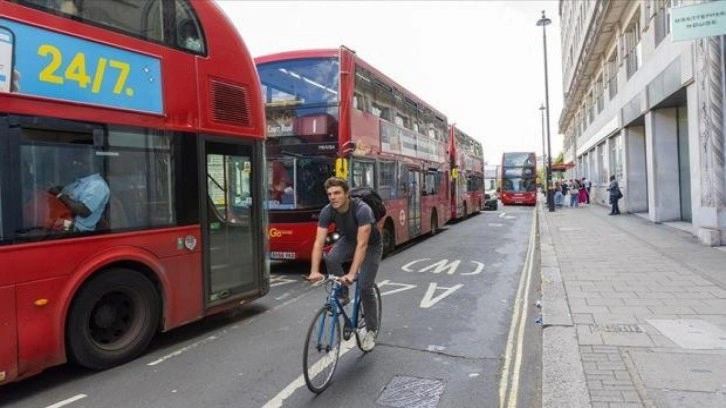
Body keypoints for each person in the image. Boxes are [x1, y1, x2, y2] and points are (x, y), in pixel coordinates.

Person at [306, 177, 382, 350]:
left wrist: (352, 273)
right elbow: (318, 242)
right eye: (330, 194)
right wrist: (314, 271)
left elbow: (362, 245)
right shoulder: (327, 211)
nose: (333, 197)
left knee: (364, 286)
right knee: (331, 258)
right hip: (349, 239)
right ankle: (343, 294)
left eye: (337, 193)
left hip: (371, 244)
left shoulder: (363, 210)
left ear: (347, 194)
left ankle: (371, 331)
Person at [48, 152, 110, 231]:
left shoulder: (98, 185)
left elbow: (84, 211)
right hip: (65, 218)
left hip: (77, 228)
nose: (77, 165)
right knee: (41, 221)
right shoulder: (80, 182)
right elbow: (68, 193)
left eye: (82, 163)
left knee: (45, 227)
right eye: (76, 162)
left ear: (94, 165)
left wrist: (59, 195)